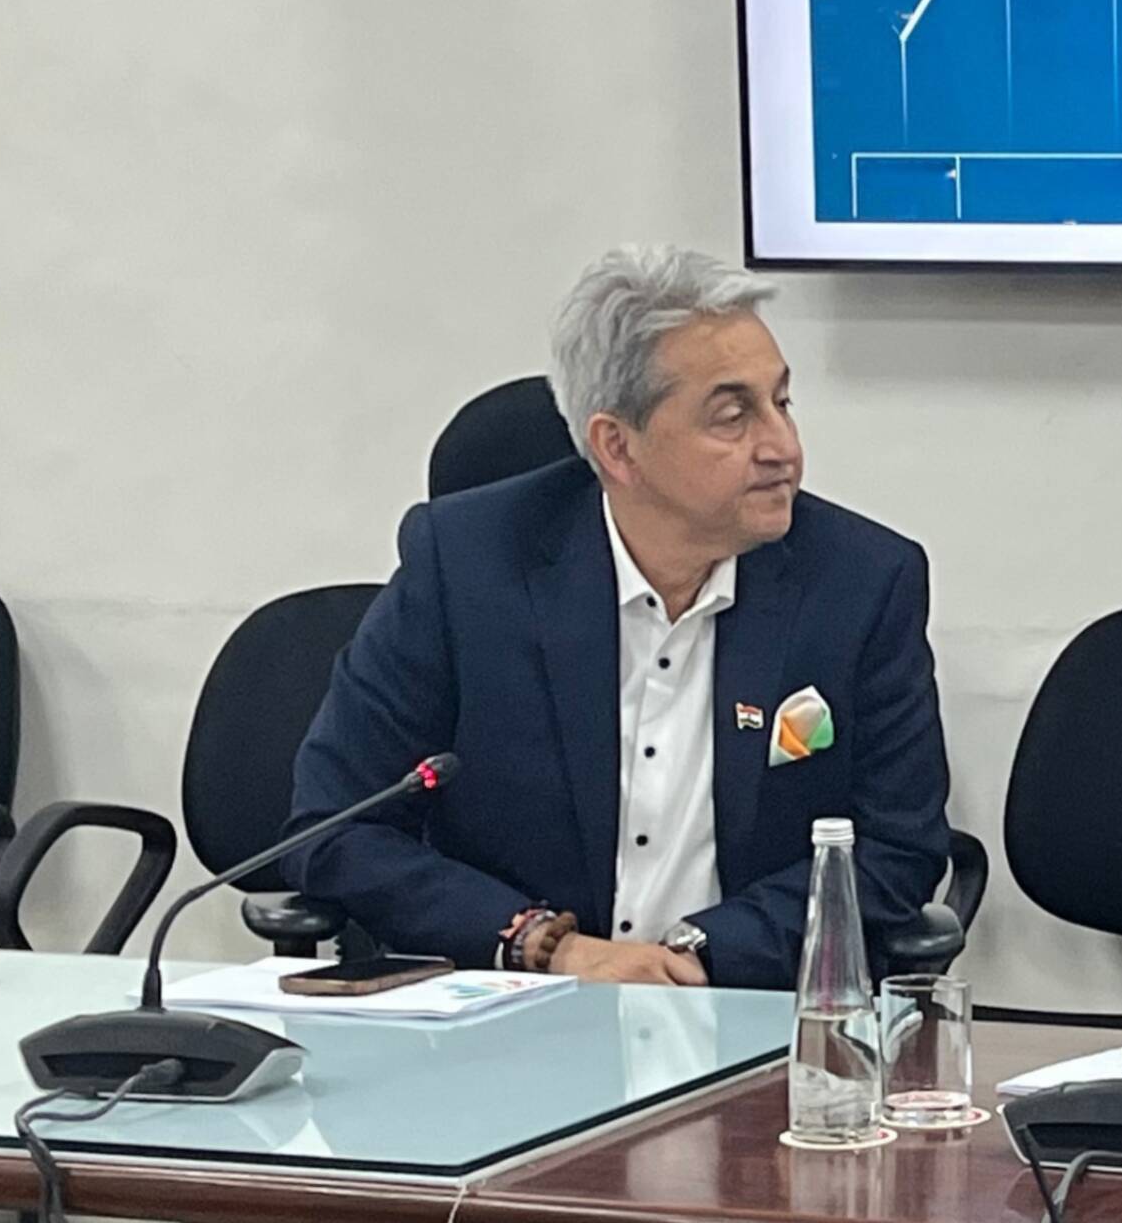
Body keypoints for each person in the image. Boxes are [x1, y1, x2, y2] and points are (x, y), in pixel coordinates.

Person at [287, 246, 950, 989]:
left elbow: (896, 849)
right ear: (617, 447)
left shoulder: (861, 582)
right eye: (733, 417)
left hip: (743, 1005)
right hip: (512, 1008)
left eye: (783, 403)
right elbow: (336, 825)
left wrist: (698, 954)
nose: (783, 448)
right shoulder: (466, 565)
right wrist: (549, 945)